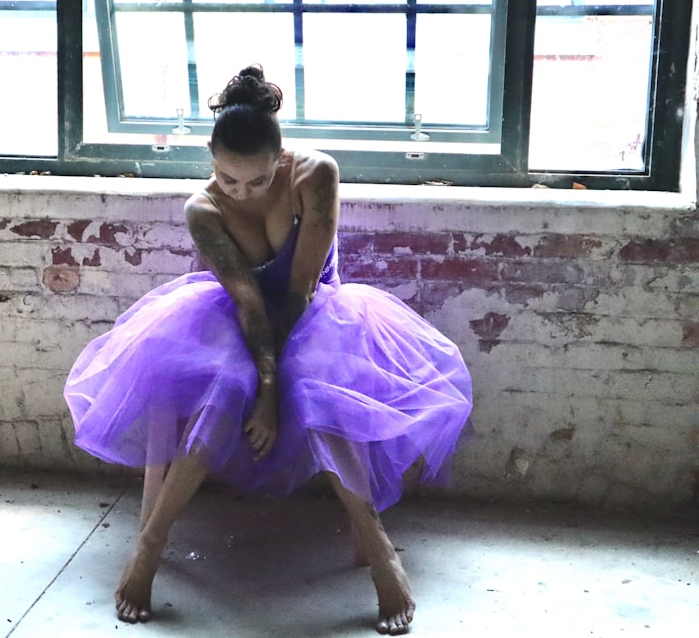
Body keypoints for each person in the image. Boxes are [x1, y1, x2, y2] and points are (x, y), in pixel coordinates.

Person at [63, 64, 472, 635]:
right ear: (211, 157)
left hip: (316, 309)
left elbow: (301, 288)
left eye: (256, 182)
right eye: (228, 180)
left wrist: (279, 391)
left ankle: (381, 551)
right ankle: (149, 547)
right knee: (228, 384)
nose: (241, 193)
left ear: (280, 158)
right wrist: (263, 388)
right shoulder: (202, 209)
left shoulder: (315, 174)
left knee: (313, 382)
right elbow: (252, 306)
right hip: (236, 316)